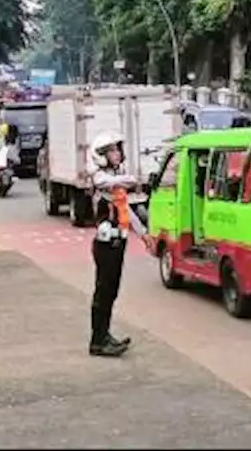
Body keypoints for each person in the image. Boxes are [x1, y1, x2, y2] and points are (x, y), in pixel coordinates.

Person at [88, 131, 138, 358]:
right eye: (112, 150)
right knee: (103, 291)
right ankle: (98, 341)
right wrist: (127, 179)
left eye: (117, 149)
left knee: (111, 292)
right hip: (105, 244)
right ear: (101, 155)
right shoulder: (100, 178)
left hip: (118, 241)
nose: (117, 154)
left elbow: (125, 209)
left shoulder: (114, 179)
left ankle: (104, 335)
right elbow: (116, 181)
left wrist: (144, 233)